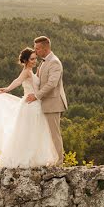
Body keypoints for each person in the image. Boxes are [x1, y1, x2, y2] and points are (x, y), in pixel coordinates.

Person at [0, 47, 59, 167]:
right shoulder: (26, 72)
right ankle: (26, 159)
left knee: (35, 131)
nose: (34, 61)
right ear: (26, 60)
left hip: (35, 104)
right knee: (29, 132)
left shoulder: (32, 71)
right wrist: (7, 89)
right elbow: (17, 81)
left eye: (35, 59)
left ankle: (35, 158)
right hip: (30, 105)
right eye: (32, 59)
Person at [25, 35, 67, 165]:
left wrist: (36, 96)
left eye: (37, 48)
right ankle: (50, 158)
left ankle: (59, 161)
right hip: (44, 103)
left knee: (54, 133)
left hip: (53, 103)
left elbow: (52, 84)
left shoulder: (54, 62)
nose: (35, 51)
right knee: (46, 134)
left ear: (45, 48)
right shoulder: (44, 62)